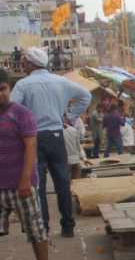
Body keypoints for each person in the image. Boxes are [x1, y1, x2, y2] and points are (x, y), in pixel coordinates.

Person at [11, 47, 91, 237]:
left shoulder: (23, 84)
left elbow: (12, 109)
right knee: (62, 182)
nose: (22, 65)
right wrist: (70, 117)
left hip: (33, 138)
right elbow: (85, 96)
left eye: (24, 63)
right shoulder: (61, 81)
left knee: (37, 185)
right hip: (57, 136)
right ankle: (68, 226)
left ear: (31, 63)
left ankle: (43, 227)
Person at [0, 68, 51, 260]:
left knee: (36, 230)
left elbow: (31, 147)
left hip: (22, 185)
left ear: (9, 88)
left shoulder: (21, 113)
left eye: (2, 89)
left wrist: (24, 180)